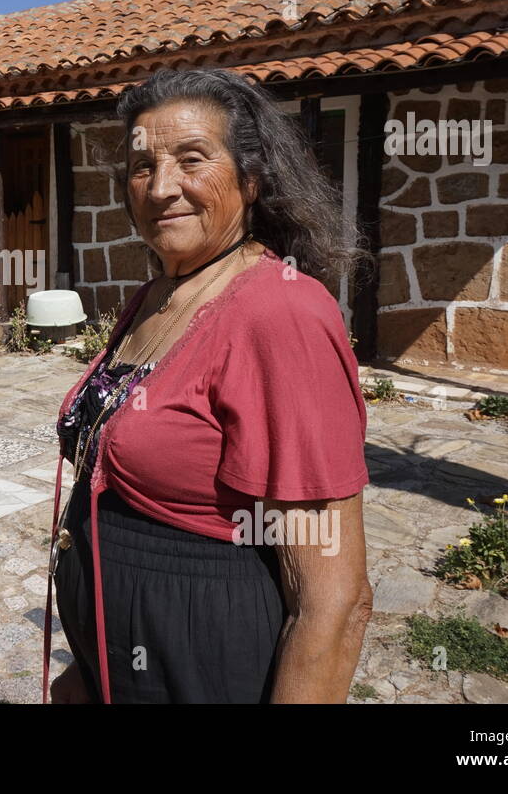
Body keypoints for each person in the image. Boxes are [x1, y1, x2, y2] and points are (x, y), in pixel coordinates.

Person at [45, 68, 374, 704]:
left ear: (252, 179)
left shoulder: (280, 313)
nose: (162, 188)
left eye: (192, 159)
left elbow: (336, 601)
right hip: (115, 659)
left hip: (202, 658)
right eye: (142, 167)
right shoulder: (155, 295)